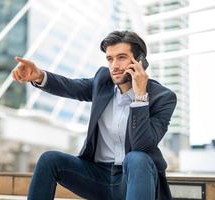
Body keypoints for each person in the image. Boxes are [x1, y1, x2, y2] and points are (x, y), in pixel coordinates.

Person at [12, 30, 177, 200]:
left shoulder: (162, 98)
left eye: (121, 57)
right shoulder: (103, 81)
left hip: (132, 181)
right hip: (97, 178)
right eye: (110, 59)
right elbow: (71, 86)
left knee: (137, 158)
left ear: (140, 61)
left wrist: (140, 96)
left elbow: (142, 146)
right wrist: (39, 75)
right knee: (49, 159)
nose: (114, 66)